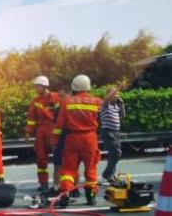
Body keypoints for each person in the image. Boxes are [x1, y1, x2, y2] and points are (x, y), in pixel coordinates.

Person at [52, 75, 102, 207]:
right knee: (91, 168)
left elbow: (59, 124)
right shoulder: (96, 101)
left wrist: (55, 141)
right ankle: (91, 196)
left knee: (68, 169)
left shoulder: (67, 101)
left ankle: (65, 194)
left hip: (72, 138)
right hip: (90, 138)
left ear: (74, 87)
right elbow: (102, 120)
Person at [25, 76, 60, 193]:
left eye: (37, 86)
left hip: (53, 130)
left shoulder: (55, 97)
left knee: (59, 159)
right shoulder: (35, 101)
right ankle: (43, 183)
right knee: (41, 159)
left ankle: (60, 184)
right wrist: (28, 131)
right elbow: (31, 117)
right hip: (41, 130)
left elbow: (61, 114)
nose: (35, 88)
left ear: (44, 87)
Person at [99, 83, 126, 181]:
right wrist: (118, 88)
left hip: (116, 132)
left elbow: (122, 115)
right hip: (108, 132)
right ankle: (107, 174)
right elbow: (107, 98)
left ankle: (111, 175)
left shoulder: (116, 106)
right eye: (115, 94)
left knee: (113, 154)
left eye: (117, 94)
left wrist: (121, 104)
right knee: (117, 154)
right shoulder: (105, 104)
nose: (116, 95)